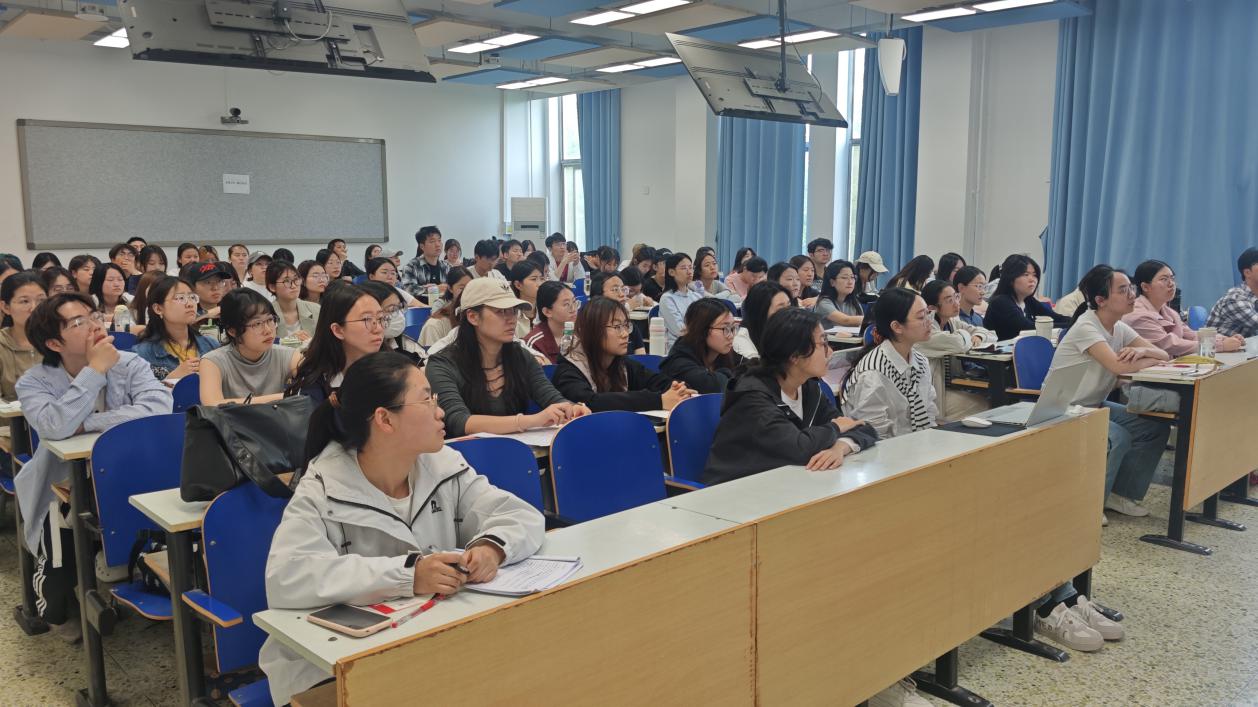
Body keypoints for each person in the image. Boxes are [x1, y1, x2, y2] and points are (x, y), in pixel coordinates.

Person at [260, 351, 545, 706]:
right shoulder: (322, 486)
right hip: (333, 667)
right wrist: (408, 575)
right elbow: (288, 576)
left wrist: (492, 546)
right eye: (426, 400)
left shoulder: (442, 464)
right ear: (384, 419)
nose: (440, 412)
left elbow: (519, 515)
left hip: (427, 643)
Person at [15, 293, 172, 637]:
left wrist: (86, 424)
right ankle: (60, 605)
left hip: (130, 476)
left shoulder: (129, 363)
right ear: (54, 343)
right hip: (63, 486)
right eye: (79, 322)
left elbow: (159, 408)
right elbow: (54, 425)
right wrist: (95, 370)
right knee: (58, 580)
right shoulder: (33, 382)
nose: (95, 326)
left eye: (94, 316)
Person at [1048, 265, 1170, 520]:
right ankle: (1090, 506)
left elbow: (1164, 354)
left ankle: (1119, 494)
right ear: (1100, 300)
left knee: (1153, 428)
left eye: (1131, 288)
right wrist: (1148, 357)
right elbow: (1117, 366)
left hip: (1092, 404)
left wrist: (1143, 351)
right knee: (1118, 437)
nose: (1132, 295)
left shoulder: (1119, 327)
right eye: (1123, 290)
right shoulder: (1086, 327)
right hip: (1062, 408)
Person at [704, 308, 877, 484]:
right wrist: (835, 428)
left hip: (785, 483)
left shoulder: (808, 387)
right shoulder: (751, 397)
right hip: (737, 489)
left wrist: (840, 447)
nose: (830, 351)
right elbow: (799, 448)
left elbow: (863, 428)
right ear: (795, 355)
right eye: (823, 343)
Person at [426, 278, 589, 437]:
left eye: (514, 311)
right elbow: (459, 421)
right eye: (501, 311)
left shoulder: (520, 356)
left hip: (517, 449)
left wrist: (570, 409)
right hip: (465, 452)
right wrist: (532, 420)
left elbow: (549, 395)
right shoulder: (442, 364)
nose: (512, 319)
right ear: (473, 317)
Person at [553, 297, 695, 412]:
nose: (625, 334)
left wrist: (679, 390)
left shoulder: (622, 364)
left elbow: (658, 382)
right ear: (592, 331)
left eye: (626, 325)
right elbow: (592, 403)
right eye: (617, 327)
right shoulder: (569, 369)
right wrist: (659, 400)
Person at [840, 287, 937, 439]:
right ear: (897, 326)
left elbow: (929, 410)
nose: (929, 322)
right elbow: (874, 433)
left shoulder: (920, 361)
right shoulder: (874, 373)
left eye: (928, 314)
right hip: (886, 449)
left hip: (918, 443)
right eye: (921, 317)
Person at [200, 288, 301, 405]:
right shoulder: (213, 361)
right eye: (257, 324)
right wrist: (283, 397)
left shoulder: (289, 355)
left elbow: (310, 391)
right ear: (233, 331)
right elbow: (212, 404)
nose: (268, 330)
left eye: (270, 320)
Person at [287, 284, 383, 405]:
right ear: (338, 330)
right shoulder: (313, 385)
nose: (378, 329)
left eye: (380, 318)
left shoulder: (393, 369)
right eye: (366, 319)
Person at [1126, 260, 1243, 356]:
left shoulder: (1169, 312)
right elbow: (1170, 345)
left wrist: (1224, 339)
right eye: (1164, 279)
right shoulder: (1137, 315)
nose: (1171, 284)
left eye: (1172, 278)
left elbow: (1191, 335)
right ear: (1145, 287)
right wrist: (1220, 346)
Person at [916, 280, 996, 422]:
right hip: (934, 394)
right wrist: (965, 335)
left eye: (956, 297)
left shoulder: (951, 322)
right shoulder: (925, 330)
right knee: (986, 405)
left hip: (952, 386)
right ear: (932, 308)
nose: (956, 303)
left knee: (991, 398)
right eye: (949, 300)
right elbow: (958, 343)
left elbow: (990, 334)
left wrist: (978, 336)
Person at [134, 276, 220, 381]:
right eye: (180, 298)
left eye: (192, 297)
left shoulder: (211, 345)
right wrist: (171, 379)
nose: (190, 304)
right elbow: (141, 390)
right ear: (158, 308)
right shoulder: (142, 354)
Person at [660, 298, 740, 395]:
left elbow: (750, 372)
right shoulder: (679, 361)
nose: (731, 335)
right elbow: (714, 387)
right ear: (702, 329)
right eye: (725, 328)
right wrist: (730, 374)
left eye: (733, 328)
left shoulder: (724, 352)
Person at [983, 254, 1071, 341]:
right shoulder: (1000, 302)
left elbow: (1056, 317)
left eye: (1034, 275)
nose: (1032, 279)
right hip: (998, 349)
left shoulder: (1028, 300)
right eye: (1026, 274)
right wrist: (1071, 325)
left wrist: (1075, 322)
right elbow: (1028, 327)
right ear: (1010, 279)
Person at [0, 272, 47, 399]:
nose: (34, 308)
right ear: (6, 307)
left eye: (41, 300)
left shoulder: (59, 339)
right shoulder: (2, 345)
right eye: (24, 301)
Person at [590, 271, 646, 355]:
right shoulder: (591, 327)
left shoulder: (629, 326)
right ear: (599, 296)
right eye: (615, 289)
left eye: (623, 289)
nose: (622, 294)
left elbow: (641, 358)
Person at [1206, 247, 1258, 338]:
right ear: (1247, 272)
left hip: (1245, 346)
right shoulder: (1235, 298)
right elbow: (1255, 323)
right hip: (1220, 346)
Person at [734, 282, 791, 362]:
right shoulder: (743, 342)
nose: (789, 312)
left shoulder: (786, 330)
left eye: (789, 306)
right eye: (781, 309)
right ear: (761, 311)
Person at [524, 281, 578, 364]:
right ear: (547, 312)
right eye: (566, 304)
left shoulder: (581, 332)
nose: (573, 309)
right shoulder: (534, 343)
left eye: (574, 301)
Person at [267, 260, 321, 342]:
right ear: (272, 287)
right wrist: (289, 341)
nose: (294, 285)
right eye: (287, 281)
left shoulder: (316, 309)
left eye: (296, 279)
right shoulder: (266, 314)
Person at [419, 267, 472, 347]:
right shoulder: (434, 325)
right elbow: (432, 354)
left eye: (470, 287)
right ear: (450, 288)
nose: (467, 292)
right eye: (462, 288)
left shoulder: (475, 317)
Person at [660, 253, 703, 350]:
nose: (689, 272)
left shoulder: (696, 296)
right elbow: (680, 330)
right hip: (678, 347)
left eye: (690, 267)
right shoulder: (667, 298)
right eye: (684, 268)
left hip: (698, 343)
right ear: (671, 272)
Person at [400, 226, 451, 301]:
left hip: (443, 306)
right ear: (422, 246)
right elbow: (407, 289)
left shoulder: (446, 266)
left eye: (439, 240)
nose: (438, 244)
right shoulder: (411, 266)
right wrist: (434, 289)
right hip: (420, 306)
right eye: (432, 241)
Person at [814, 260, 864, 327]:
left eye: (852, 277)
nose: (850, 282)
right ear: (832, 282)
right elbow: (845, 320)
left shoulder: (854, 302)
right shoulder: (823, 303)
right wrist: (871, 319)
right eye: (844, 278)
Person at [508, 261, 546, 339]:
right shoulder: (510, 314)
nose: (540, 284)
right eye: (534, 279)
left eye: (542, 279)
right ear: (518, 285)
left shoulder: (546, 309)